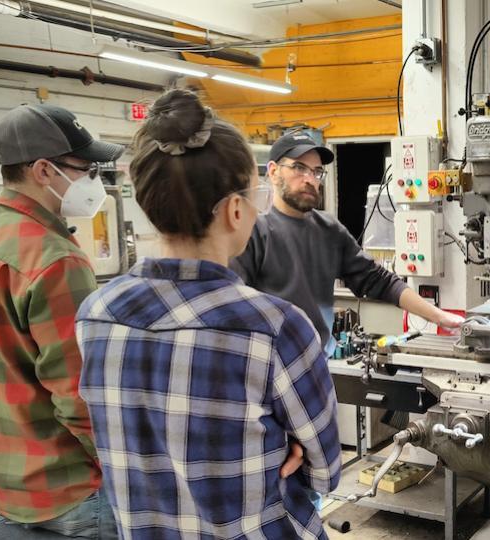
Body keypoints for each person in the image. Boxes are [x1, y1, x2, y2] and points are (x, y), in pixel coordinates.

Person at [75, 90, 341, 539]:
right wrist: (281, 445)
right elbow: (324, 471)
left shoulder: (96, 313)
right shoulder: (275, 327)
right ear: (237, 210)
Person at [0, 104, 123, 538]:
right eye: (86, 168)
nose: (94, 181)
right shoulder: (56, 260)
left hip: (3, 482)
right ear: (44, 170)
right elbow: (80, 397)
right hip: (72, 489)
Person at [231, 132, 464, 354]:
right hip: (271, 369)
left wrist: (439, 317)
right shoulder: (254, 231)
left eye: (317, 171)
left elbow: (378, 280)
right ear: (273, 172)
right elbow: (234, 307)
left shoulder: (329, 230)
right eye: (299, 168)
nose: (310, 179)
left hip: (318, 366)